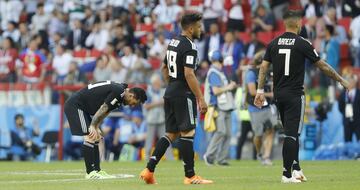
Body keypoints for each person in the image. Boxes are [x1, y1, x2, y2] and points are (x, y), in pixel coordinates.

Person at [254, 10, 350, 183]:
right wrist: (340, 79)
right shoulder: (302, 43)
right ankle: (286, 174)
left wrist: (260, 91)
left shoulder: (273, 43)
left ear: (284, 23)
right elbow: (322, 66)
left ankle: (296, 168)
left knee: (290, 134)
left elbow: (263, 68)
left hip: (278, 95)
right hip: (295, 95)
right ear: (298, 24)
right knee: (292, 134)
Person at [140, 13, 213, 185]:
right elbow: (189, 73)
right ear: (190, 28)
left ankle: (149, 170)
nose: (201, 29)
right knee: (188, 133)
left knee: (171, 134)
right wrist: (200, 98)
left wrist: (171, 84)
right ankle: (190, 175)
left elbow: (164, 67)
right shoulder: (190, 46)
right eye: (199, 26)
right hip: (183, 94)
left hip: (170, 91)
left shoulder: (173, 42)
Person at [64, 80, 147, 179]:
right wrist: (93, 126)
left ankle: (97, 171)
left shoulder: (120, 93)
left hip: (82, 108)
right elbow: (104, 107)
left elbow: (106, 111)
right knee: (90, 136)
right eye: (133, 103)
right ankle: (90, 173)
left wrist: (96, 126)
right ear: (132, 95)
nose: (131, 105)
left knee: (96, 137)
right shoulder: (119, 92)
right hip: (75, 105)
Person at [203, 50, 236, 166]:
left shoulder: (219, 72)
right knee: (221, 131)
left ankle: (221, 158)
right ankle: (209, 155)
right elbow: (216, 91)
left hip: (225, 106)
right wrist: (229, 86)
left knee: (227, 133)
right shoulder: (214, 72)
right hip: (218, 106)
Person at [245, 50, 276, 166]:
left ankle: (267, 156)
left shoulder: (270, 72)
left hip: (268, 107)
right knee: (258, 134)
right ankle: (259, 152)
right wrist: (270, 95)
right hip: (255, 107)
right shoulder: (251, 73)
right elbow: (252, 91)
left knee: (271, 130)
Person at [144, 74, 174, 160]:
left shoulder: (163, 91)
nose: (158, 84)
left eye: (159, 82)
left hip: (161, 119)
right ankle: (146, 158)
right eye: (156, 83)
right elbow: (146, 106)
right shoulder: (148, 92)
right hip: (151, 120)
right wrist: (158, 103)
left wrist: (155, 103)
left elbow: (167, 101)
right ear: (153, 83)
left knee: (166, 139)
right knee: (149, 141)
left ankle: (170, 158)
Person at [338, 74, 360, 142]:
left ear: (355, 82)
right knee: (347, 140)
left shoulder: (359, 93)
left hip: (358, 121)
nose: (350, 83)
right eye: (348, 81)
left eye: (351, 81)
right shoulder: (343, 94)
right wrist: (346, 114)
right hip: (347, 122)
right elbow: (340, 107)